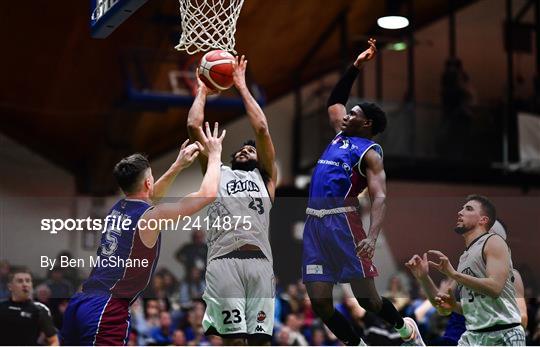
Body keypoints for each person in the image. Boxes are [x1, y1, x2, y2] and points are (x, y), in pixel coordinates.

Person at [302, 38, 425, 346]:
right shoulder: (340, 134)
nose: (346, 115)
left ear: (366, 123)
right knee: (319, 303)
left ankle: (405, 330)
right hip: (314, 223)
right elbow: (334, 101)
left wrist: (371, 235)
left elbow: (379, 196)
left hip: (343, 224)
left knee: (368, 300)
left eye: (353, 113)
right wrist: (356, 66)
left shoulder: (370, 152)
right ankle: (357, 345)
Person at [60, 124, 225, 345]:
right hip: (105, 309)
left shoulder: (118, 207)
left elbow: (150, 196)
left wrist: (177, 165)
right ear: (148, 182)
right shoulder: (150, 217)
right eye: (151, 178)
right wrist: (214, 155)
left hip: (80, 303)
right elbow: (207, 194)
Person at [187, 54, 278, 345]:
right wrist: (202, 88)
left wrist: (240, 84)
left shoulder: (265, 180)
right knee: (235, 342)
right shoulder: (217, 171)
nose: (245, 151)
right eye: (241, 150)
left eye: (251, 152)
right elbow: (193, 126)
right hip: (223, 261)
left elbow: (262, 129)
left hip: (261, 264)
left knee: (260, 342)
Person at [406, 218, 528, 345]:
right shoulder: (464, 271)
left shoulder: (512, 276)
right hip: (456, 339)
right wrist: (423, 278)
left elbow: (522, 319)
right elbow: (442, 308)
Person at [0, 267, 58, 345]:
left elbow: (54, 341)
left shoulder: (40, 309)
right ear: (10, 286)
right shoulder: (2, 306)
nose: (25, 284)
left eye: (28, 281)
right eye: (20, 281)